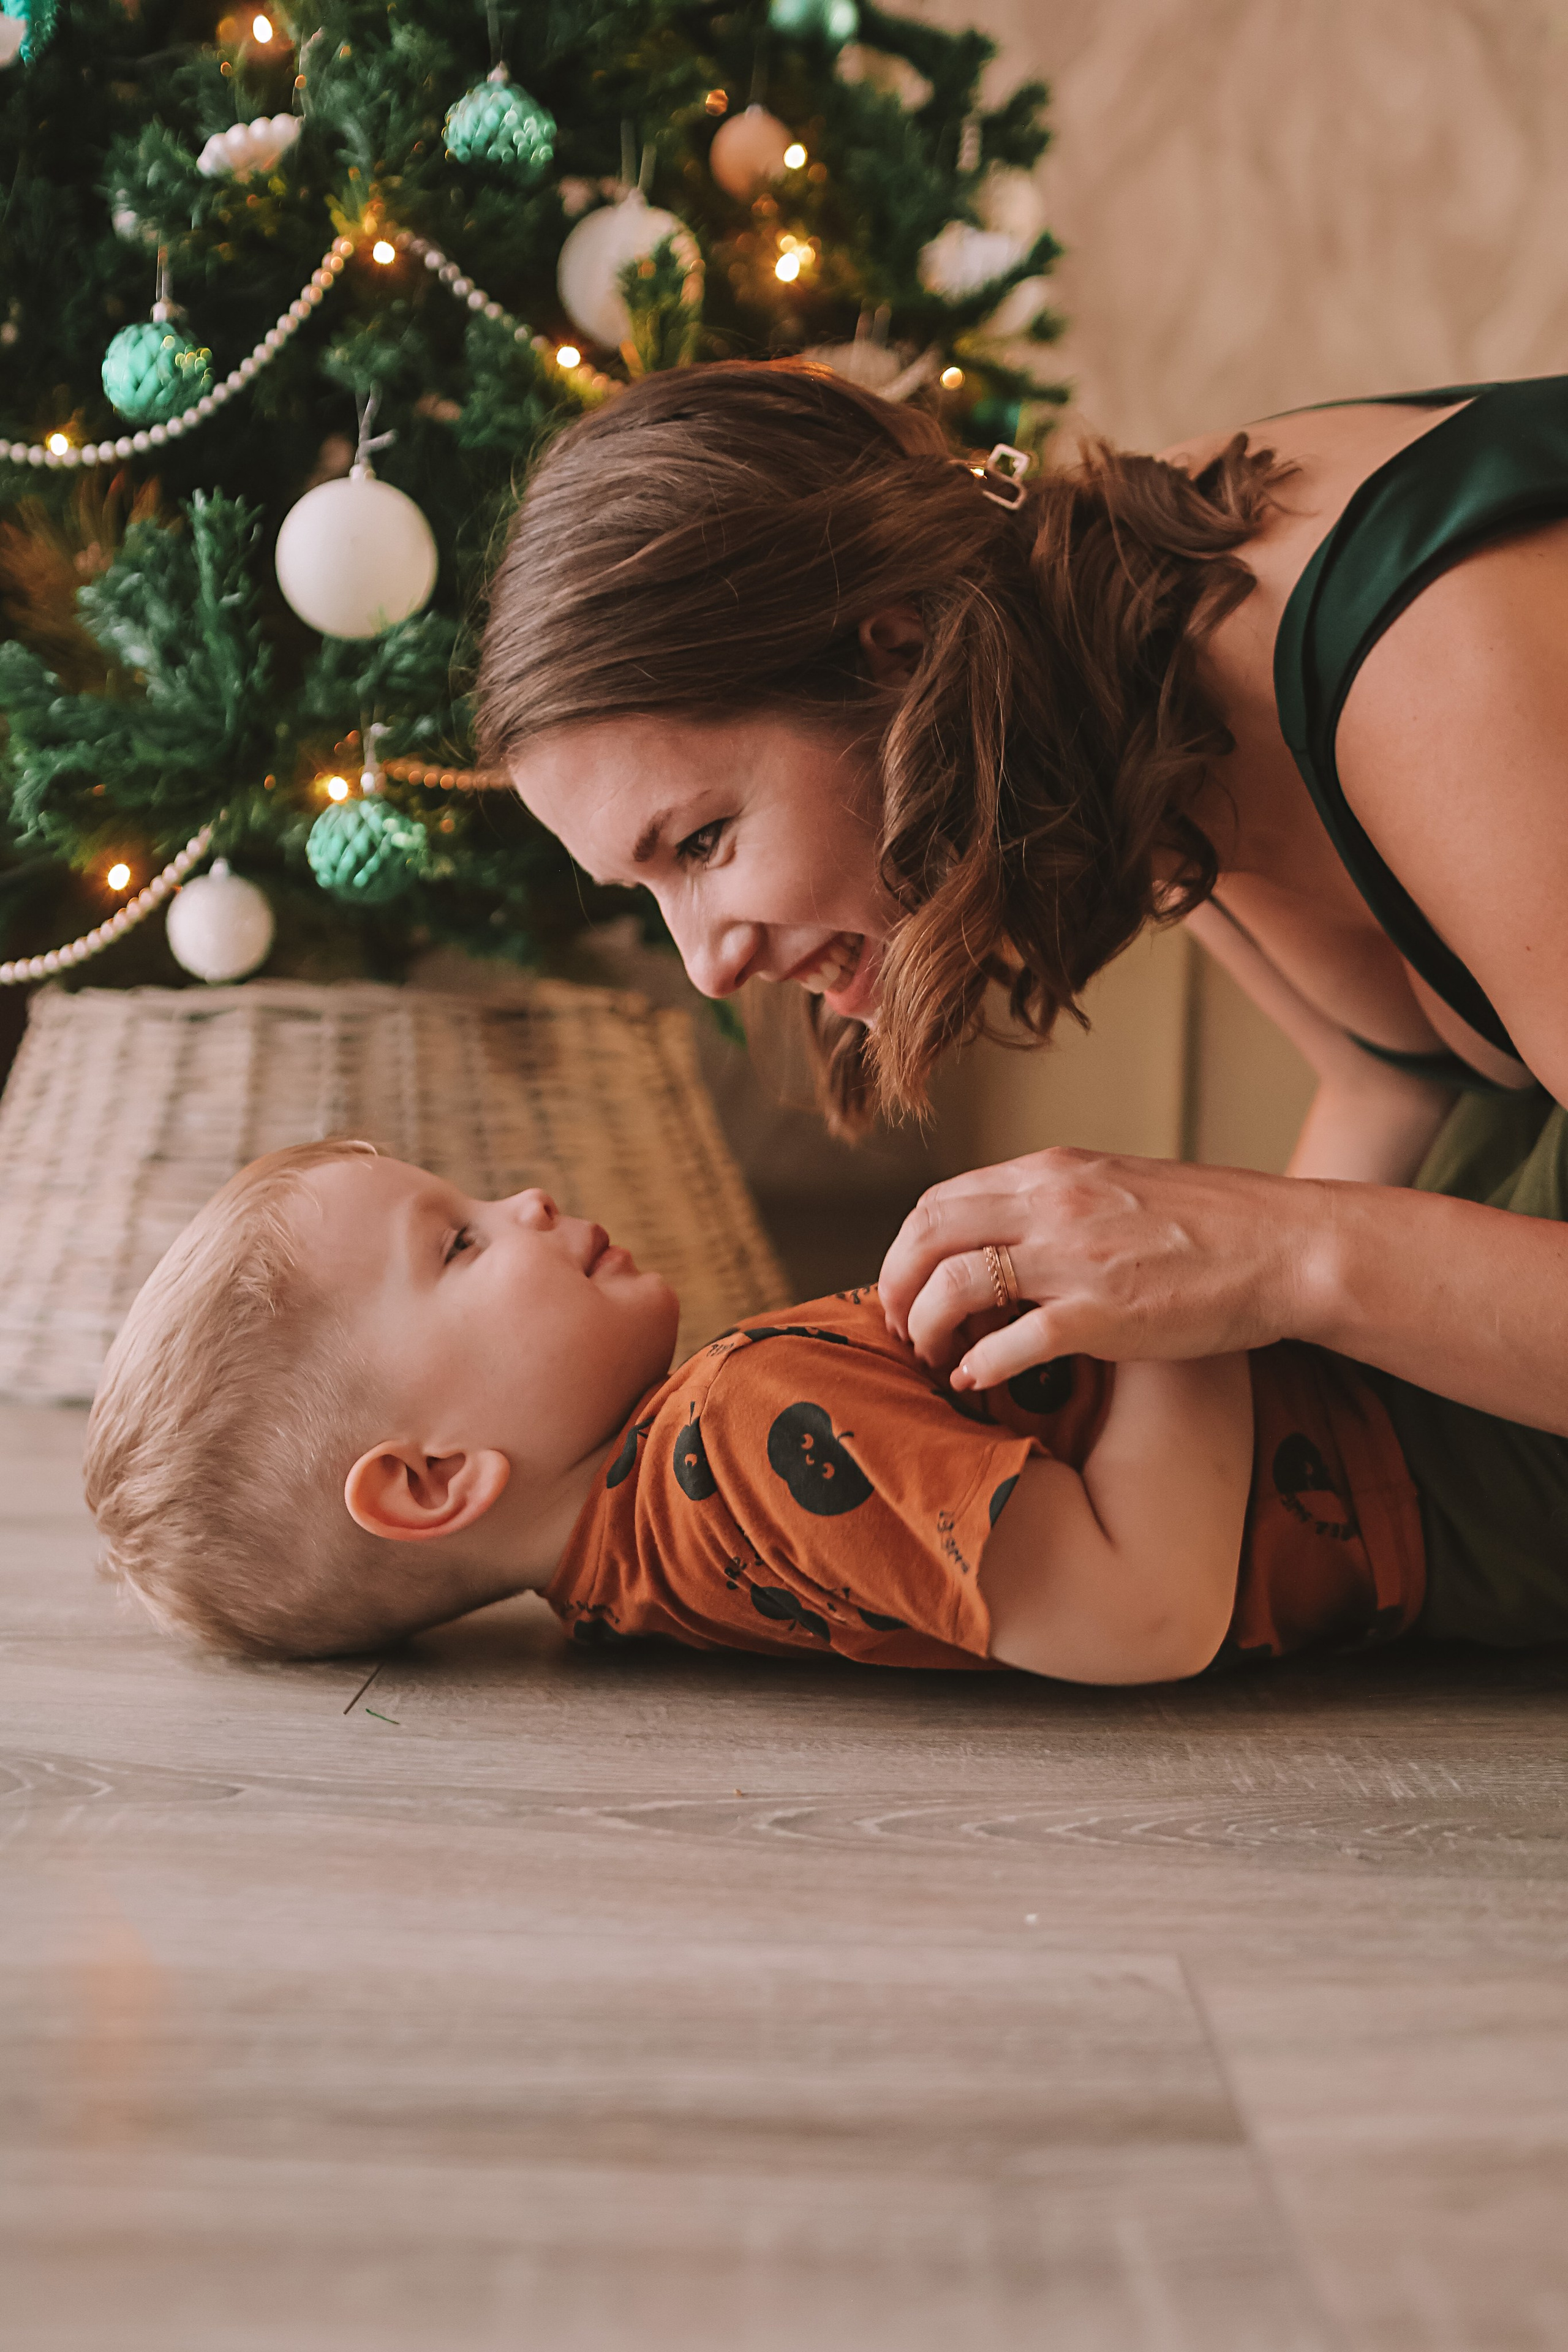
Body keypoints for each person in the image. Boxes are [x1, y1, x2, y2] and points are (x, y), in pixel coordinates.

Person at [477, 361, 1568, 1645]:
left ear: (894, 651)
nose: (706, 966)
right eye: (646, 889)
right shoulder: (1136, 655)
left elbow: (1314, 1238)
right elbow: (1393, 1085)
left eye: (703, 842)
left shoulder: (1424, 660)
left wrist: (1275, 1253)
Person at [86, 1138, 1438, 1678]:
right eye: (458, 1245)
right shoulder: (743, 1428)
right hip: (1427, 1457)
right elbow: (1147, 1612)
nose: (526, 1199)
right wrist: (1174, 1284)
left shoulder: (632, 1573)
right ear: (435, 1480)